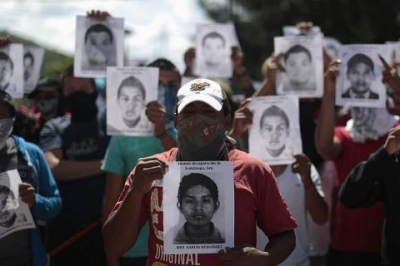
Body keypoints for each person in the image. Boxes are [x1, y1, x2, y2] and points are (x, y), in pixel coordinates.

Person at [103, 78, 297, 266]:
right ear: (177, 120)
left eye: (208, 111)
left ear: (227, 119)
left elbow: (284, 235)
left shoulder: (254, 171)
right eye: (189, 111)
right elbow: (113, 247)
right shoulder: (149, 172)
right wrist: (135, 192)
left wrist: (265, 259)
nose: (198, 119)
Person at [315, 60, 399, 266]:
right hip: (347, 246)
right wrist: (329, 94)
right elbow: (325, 147)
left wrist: (398, 86)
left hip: (388, 249)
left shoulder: (394, 134)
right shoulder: (346, 134)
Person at [101, 58, 181, 266]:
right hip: (134, 250)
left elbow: (186, 171)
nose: (165, 91)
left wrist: (162, 132)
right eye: (158, 85)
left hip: (179, 250)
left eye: (171, 86)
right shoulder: (122, 137)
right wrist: (111, 254)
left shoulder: (190, 132)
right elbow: (111, 199)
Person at [39, 64, 109, 266]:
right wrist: (107, 164)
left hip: (104, 227)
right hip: (64, 229)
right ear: (63, 93)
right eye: (71, 91)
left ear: (94, 90)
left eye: (83, 90)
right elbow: (54, 168)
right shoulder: (53, 127)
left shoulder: (110, 123)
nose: (78, 95)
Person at [0, 90, 62, 266]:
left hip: (25, 260)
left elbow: (55, 204)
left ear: (11, 120)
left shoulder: (31, 154)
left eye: (1, 115)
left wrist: (34, 201)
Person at [173, 173, 224, 244]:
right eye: (190, 201)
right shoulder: (169, 239)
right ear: (179, 206)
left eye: (205, 200)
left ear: (216, 206)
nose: (198, 207)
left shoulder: (225, 239)